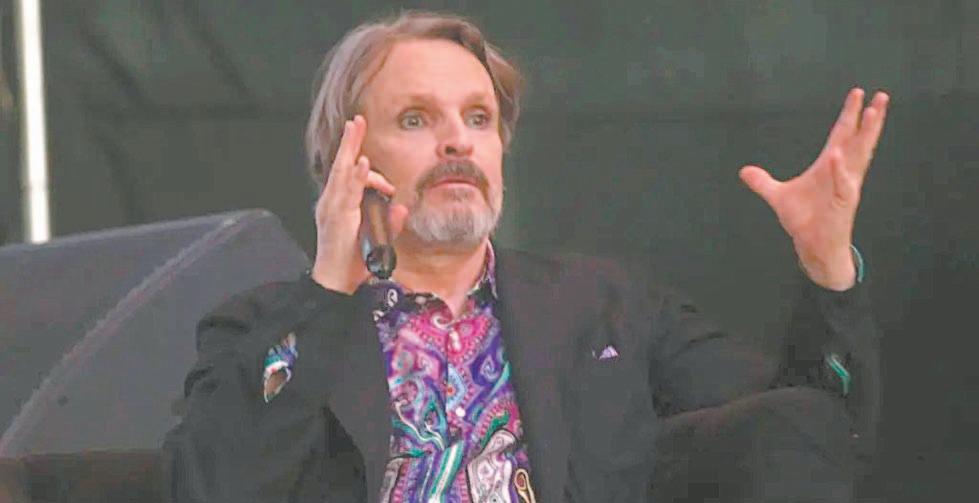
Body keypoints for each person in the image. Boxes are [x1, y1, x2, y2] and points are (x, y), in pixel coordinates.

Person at [162, 10, 887, 503]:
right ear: (346, 157)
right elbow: (214, 487)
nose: (458, 140)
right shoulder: (262, 328)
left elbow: (814, 434)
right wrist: (327, 291)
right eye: (415, 118)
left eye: (478, 118)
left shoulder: (604, 307)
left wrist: (827, 264)